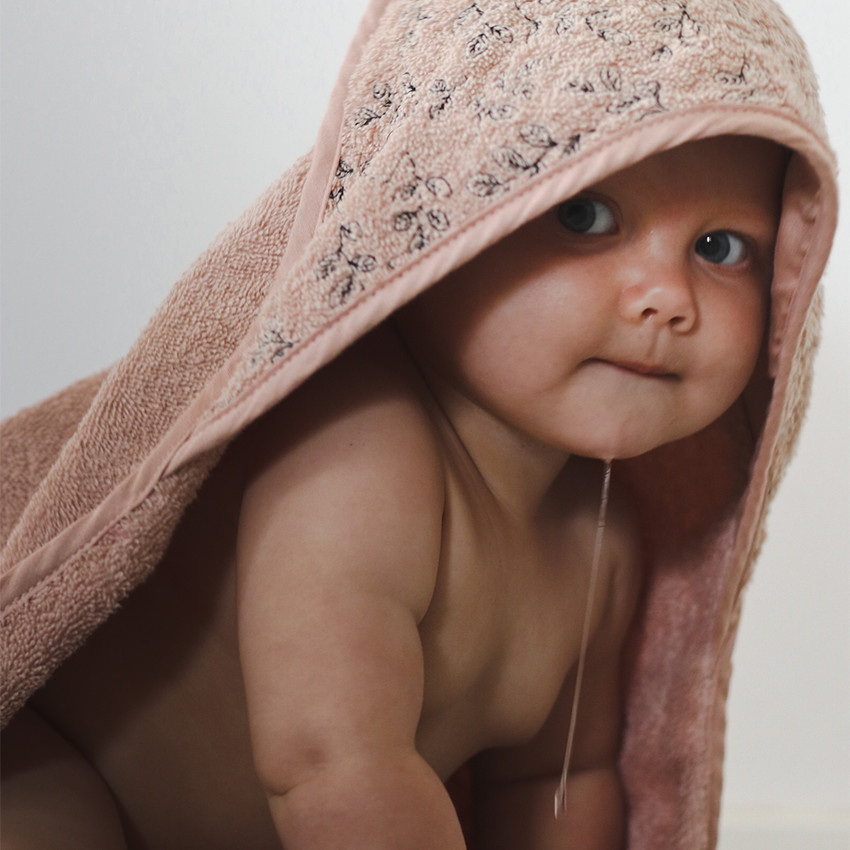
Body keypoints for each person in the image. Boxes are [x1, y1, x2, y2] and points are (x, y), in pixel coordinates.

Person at [0, 2, 837, 849]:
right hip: (62, 766)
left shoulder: (602, 541)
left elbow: (557, 780)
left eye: (721, 248)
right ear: (436, 219)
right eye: (584, 216)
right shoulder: (359, 442)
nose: (666, 298)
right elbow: (334, 764)